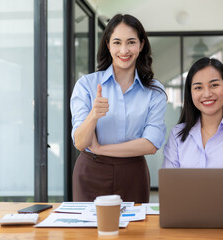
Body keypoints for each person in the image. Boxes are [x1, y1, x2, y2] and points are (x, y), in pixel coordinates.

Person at [71, 14, 167, 202]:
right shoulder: (86, 85)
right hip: (91, 173)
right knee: (87, 230)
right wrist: (93, 116)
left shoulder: (154, 91)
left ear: (141, 45)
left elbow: (150, 144)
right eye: (117, 42)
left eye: (131, 42)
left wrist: (99, 148)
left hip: (133, 173)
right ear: (108, 45)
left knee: (135, 230)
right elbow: (80, 143)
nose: (124, 50)